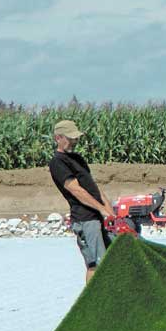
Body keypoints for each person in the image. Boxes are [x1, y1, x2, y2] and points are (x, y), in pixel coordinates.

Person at [48, 120, 115, 282]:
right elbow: (75, 189)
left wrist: (110, 210)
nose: (74, 141)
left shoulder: (77, 159)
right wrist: (101, 209)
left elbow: (93, 187)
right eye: (70, 138)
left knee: (112, 259)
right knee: (96, 264)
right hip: (85, 219)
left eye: (76, 138)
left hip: (98, 216)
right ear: (58, 138)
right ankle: (92, 303)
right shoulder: (57, 162)